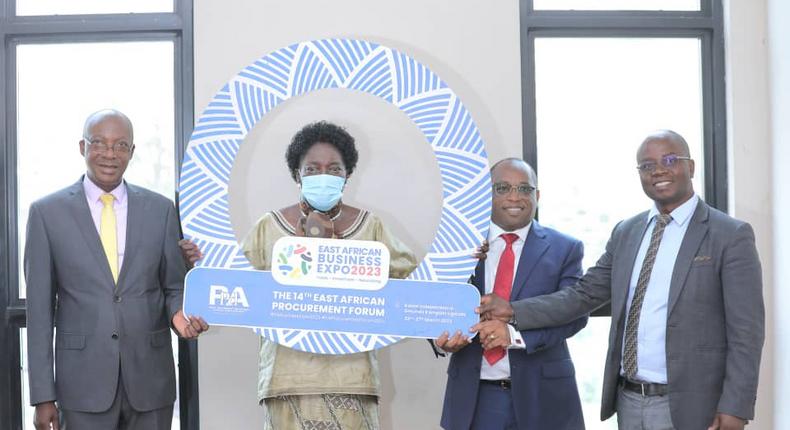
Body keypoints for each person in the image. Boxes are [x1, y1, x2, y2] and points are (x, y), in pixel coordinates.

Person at [477, 130, 764, 430]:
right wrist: (513, 311)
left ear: (690, 167)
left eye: (669, 160)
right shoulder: (628, 232)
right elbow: (582, 296)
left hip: (692, 405)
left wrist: (736, 407)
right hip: (629, 400)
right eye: (647, 165)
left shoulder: (729, 235)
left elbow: (747, 332)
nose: (659, 170)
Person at [184, 121, 417, 429]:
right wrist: (198, 263)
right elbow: (229, 283)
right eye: (313, 169)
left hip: (352, 378)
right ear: (297, 174)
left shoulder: (371, 227)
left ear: (348, 175)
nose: (324, 176)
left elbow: (416, 285)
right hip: (286, 378)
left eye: (334, 169)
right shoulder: (269, 227)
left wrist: (462, 264)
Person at [25, 109, 208, 430]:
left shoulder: (162, 210)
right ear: (82, 147)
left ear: (132, 152)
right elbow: (39, 312)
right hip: (81, 385)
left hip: (151, 382)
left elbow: (174, 286)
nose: (110, 154)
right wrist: (43, 396)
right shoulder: (46, 213)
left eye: (121, 145)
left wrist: (180, 314)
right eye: (99, 143)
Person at [435, 158, 587, 429]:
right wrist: (441, 338)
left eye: (524, 189)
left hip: (544, 398)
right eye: (503, 188)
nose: (514, 197)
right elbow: (435, 303)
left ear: (537, 196)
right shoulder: (458, 246)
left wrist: (516, 336)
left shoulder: (565, 248)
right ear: (487, 194)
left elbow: (574, 316)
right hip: (475, 398)